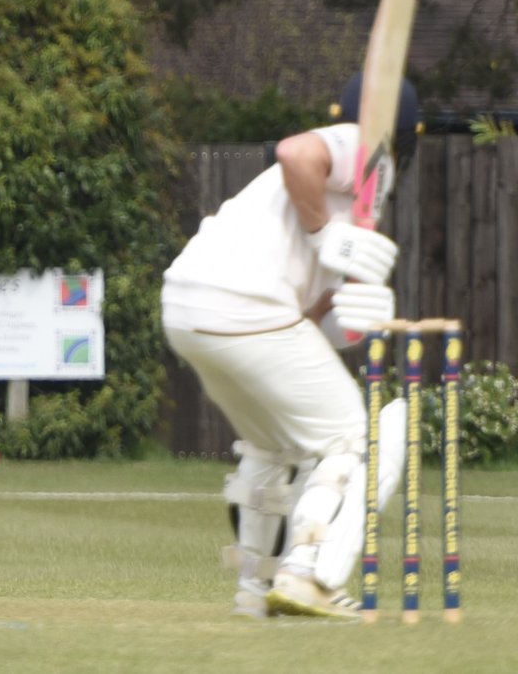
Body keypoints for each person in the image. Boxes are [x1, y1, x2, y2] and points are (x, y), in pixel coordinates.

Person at [161, 74, 420, 619]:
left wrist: (359, 314)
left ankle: (255, 591)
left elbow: (310, 318)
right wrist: (328, 233)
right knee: (364, 437)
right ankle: (308, 573)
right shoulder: (365, 145)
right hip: (245, 307)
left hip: (189, 308)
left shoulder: (348, 192)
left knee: (271, 446)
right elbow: (294, 151)